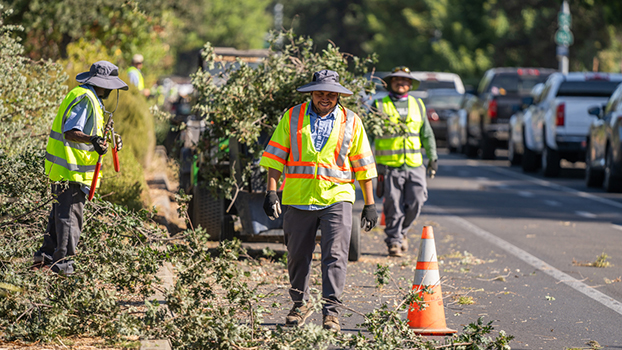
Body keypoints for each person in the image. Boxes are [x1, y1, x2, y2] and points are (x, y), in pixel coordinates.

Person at [260, 70, 378, 332]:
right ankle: (299, 305)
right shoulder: (292, 117)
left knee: (335, 255)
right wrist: (271, 191)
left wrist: (370, 204)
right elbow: (275, 157)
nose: (325, 98)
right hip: (298, 197)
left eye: (331, 94)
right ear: (312, 93)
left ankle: (331, 311)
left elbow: (364, 165)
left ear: (338, 95)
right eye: (320, 93)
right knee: (297, 256)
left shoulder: (352, 121)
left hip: (337, 197)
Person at [33, 61, 128, 274]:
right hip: (71, 173)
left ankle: (44, 262)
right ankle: (63, 271)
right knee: (69, 222)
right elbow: (71, 131)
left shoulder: (89, 97)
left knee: (59, 218)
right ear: (102, 84)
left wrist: (105, 140)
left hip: (66, 172)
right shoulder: (86, 98)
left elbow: (88, 133)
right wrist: (93, 140)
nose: (112, 91)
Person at [373, 66, 438, 257]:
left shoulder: (418, 104)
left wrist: (432, 158)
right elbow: (366, 135)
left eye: (405, 80)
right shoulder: (378, 105)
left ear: (409, 84)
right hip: (389, 166)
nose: (401, 83)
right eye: (397, 80)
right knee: (392, 204)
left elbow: (426, 134)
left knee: (417, 200)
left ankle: (402, 233)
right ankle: (393, 241)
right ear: (391, 83)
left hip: (414, 164)